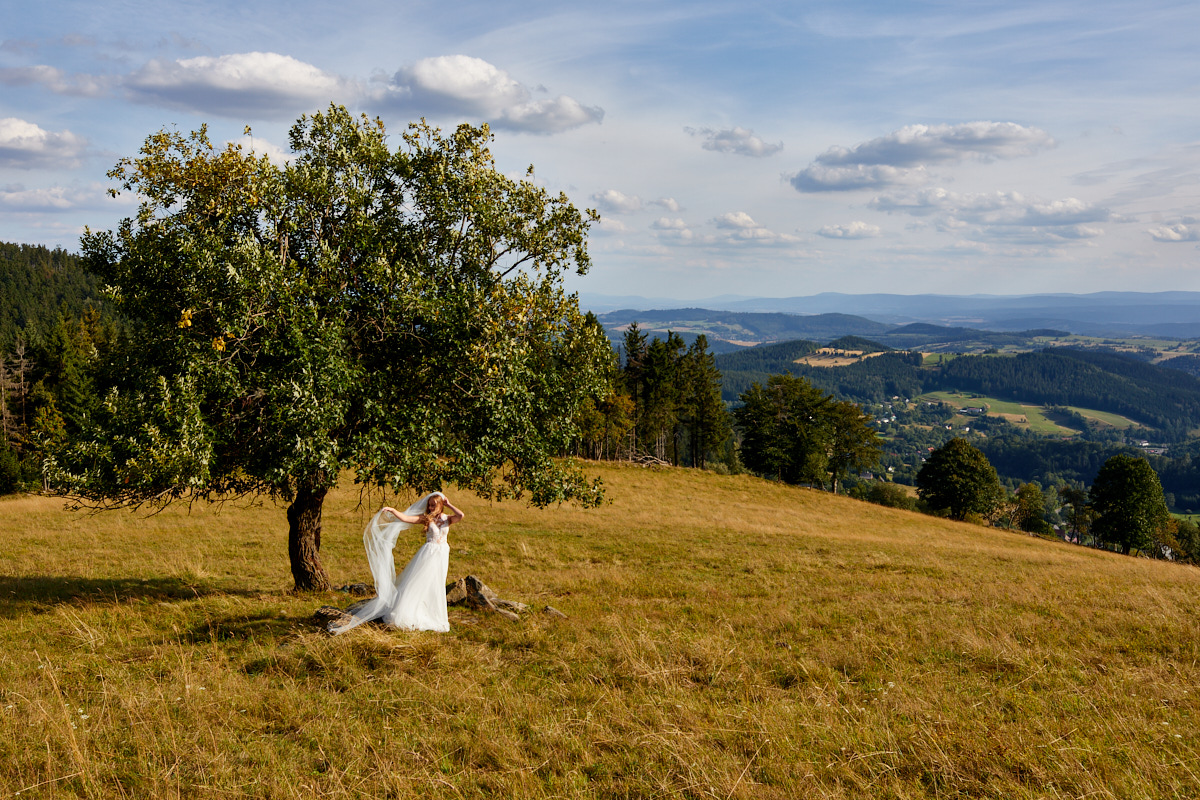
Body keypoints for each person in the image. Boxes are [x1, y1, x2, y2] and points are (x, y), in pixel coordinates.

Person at [327, 492, 464, 634]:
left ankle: (431, 611)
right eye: (429, 505)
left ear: (440, 505)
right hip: (428, 554)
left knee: (436, 583)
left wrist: (449, 504)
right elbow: (407, 518)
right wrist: (393, 511)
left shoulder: (447, 519)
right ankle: (409, 611)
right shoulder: (426, 519)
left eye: (433, 505)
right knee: (419, 581)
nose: (430, 508)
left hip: (442, 554)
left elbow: (461, 516)